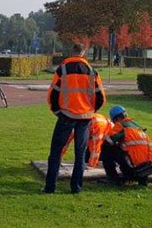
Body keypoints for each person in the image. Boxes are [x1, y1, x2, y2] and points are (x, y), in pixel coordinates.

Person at [42, 43, 106, 194]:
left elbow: (53, 93)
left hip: (66, 115)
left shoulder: (63, 69)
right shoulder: (92, 71)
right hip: (85, 117)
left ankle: (50, 187)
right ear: (84, 54)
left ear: (71, 52)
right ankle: (76, 187)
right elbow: (101, 97)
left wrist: (57, 111)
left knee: (56, 152)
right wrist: (91, 111)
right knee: (80, 153)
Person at [99, 105, 152, 186]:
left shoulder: (121, 126)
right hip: (148, 167)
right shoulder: (138, 127)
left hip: (134, 169)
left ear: (117, 119)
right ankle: (142, 180)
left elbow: (108, 141)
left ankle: (113, 179)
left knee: (106, 148)